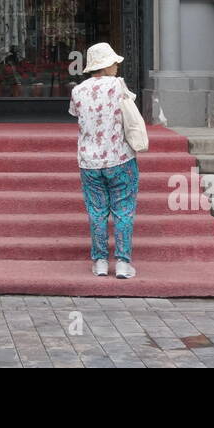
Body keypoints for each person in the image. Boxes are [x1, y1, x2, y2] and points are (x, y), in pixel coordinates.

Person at [68, 42, 138, 280]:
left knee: (97, 211)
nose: (117, 66)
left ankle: (99, 261)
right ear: (106, 65)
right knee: (123, 210)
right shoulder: (117, 85)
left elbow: (77, 115)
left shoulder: (78, 90)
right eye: (114, 62)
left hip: (89, 161)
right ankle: (122, 262)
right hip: (119, 157)